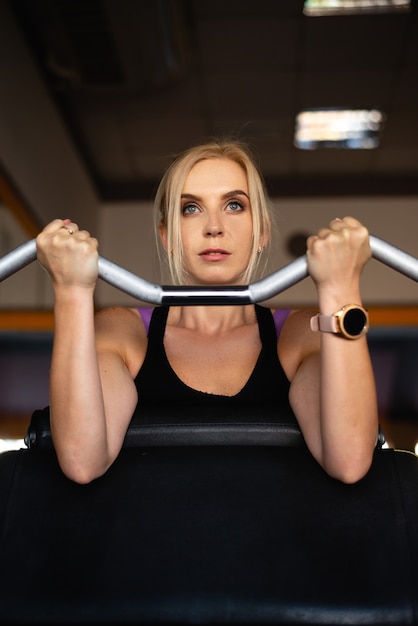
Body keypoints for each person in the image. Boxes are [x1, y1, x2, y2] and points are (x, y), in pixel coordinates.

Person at [36, 138, 378, 485]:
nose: (214, 227)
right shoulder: (124, 333)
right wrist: (72, 292)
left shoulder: (298, 334)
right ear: (168, 236)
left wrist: (341, 288)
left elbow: (348, 461)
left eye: (233, 205)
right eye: (191, 208)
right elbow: (82, 461)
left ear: (262, 231)